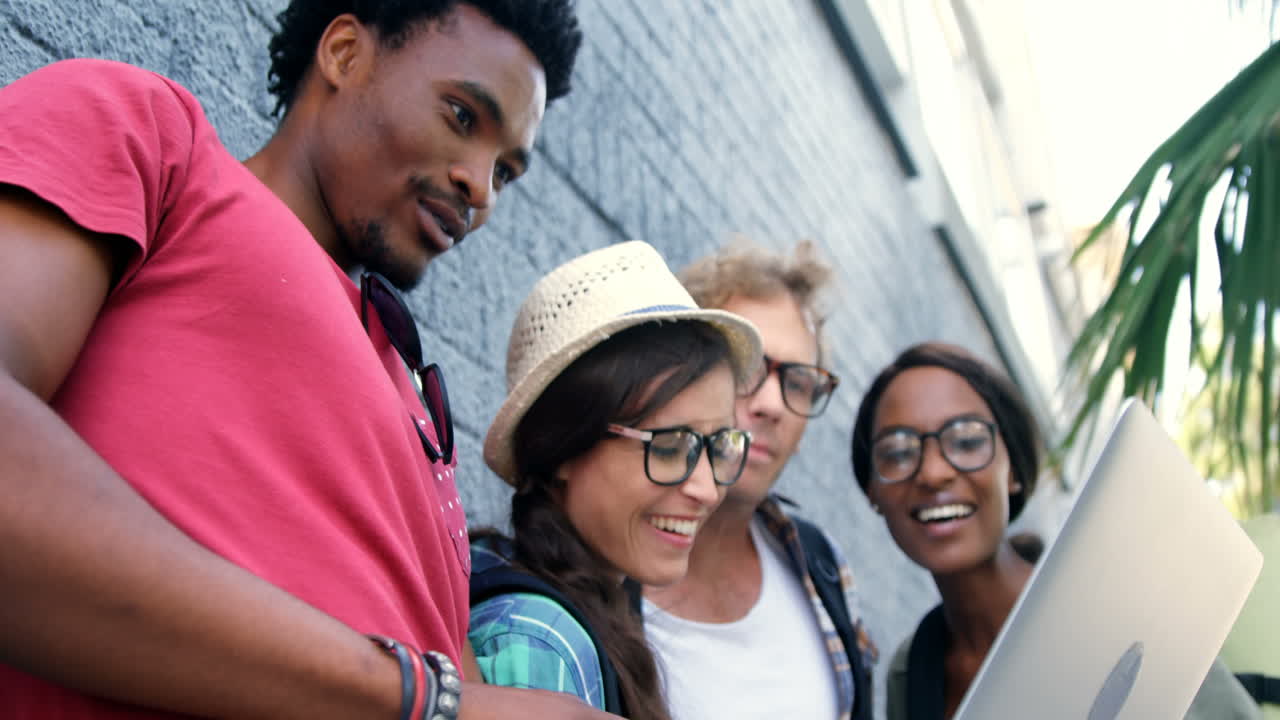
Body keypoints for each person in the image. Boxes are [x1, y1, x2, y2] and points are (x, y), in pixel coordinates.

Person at [0, 2, 620, 718]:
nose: (480, 188)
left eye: (506, 173)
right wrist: (421, 699)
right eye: (461, 116)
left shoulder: (411, 389)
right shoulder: (157, 140)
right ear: (345, 53)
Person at [850, 341, 1261, 720]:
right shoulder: (912, 671)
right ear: (873, 492)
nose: (933, 472)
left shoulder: (1111, 613)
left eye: (966, 441)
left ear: (1012, 469)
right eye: (898, 452)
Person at [465, 240, 763, 720]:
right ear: (563, 446)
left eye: (719, 445)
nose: (706, 490)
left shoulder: (598, 611)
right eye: (668, 447)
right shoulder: (538, 644)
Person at [640, 238, 877, 720]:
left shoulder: (820, 566)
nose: (771, 405)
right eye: (746, 365)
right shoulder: (596, 562)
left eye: (799, 382)